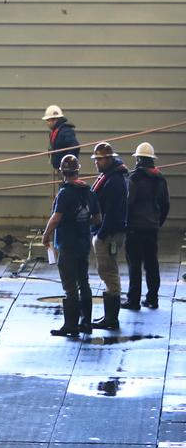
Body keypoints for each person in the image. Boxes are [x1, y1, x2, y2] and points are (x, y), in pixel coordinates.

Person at [41, 154, 100, 338]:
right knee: (84, 282)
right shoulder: (89, 192)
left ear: (62, 172)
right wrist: (83, 224)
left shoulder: (65, 193)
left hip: (67, 244)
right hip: (83, 244)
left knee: (70, 286)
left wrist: (46, 235)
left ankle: (71, 325)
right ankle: (86, 322)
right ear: (77, 170)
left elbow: (56, 217)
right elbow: (98, 218)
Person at [124, 141, 170, 311]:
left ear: (138, 160)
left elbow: (128, 204)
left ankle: (133, 300)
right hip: (152, 228)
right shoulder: (160, 178)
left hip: (135, 228)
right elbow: (165, 204)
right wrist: (158, 222)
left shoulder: (133, 178)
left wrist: (126, 224)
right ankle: (153, 298)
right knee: (152, 264)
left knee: (134, 265)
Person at [89, 141, 129, 330]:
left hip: (110, 233)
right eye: (95, 159)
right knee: (106, 272)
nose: (96, 163)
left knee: (110, 273)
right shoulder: (110, 177)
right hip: (108, 231)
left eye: (99, 159)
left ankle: (111, 319)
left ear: (108, 159)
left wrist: (101, 234)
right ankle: (109, 316)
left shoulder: (114, 181)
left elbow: (112, 211)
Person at [42, 105, 79, 173]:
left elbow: (75, 146)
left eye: (48, 120)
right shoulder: (56, 132)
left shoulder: (65, 131)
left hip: (67, 170)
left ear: (55, 120)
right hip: (60, 168)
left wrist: (67, 163)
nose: (47, 123)